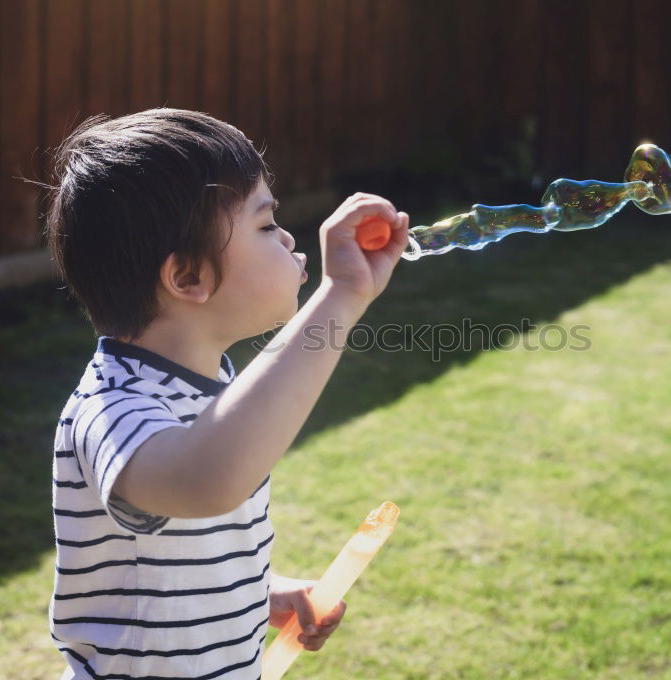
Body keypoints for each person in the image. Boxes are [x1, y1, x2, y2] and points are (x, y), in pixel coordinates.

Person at [45, 108, 409, 679]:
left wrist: (265, 594)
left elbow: (173, 558)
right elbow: (206, 481)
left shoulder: (214, 387)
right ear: (188, 277)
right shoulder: (112, 408)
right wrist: (342, 295)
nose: (288, 237)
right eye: (266, 225)